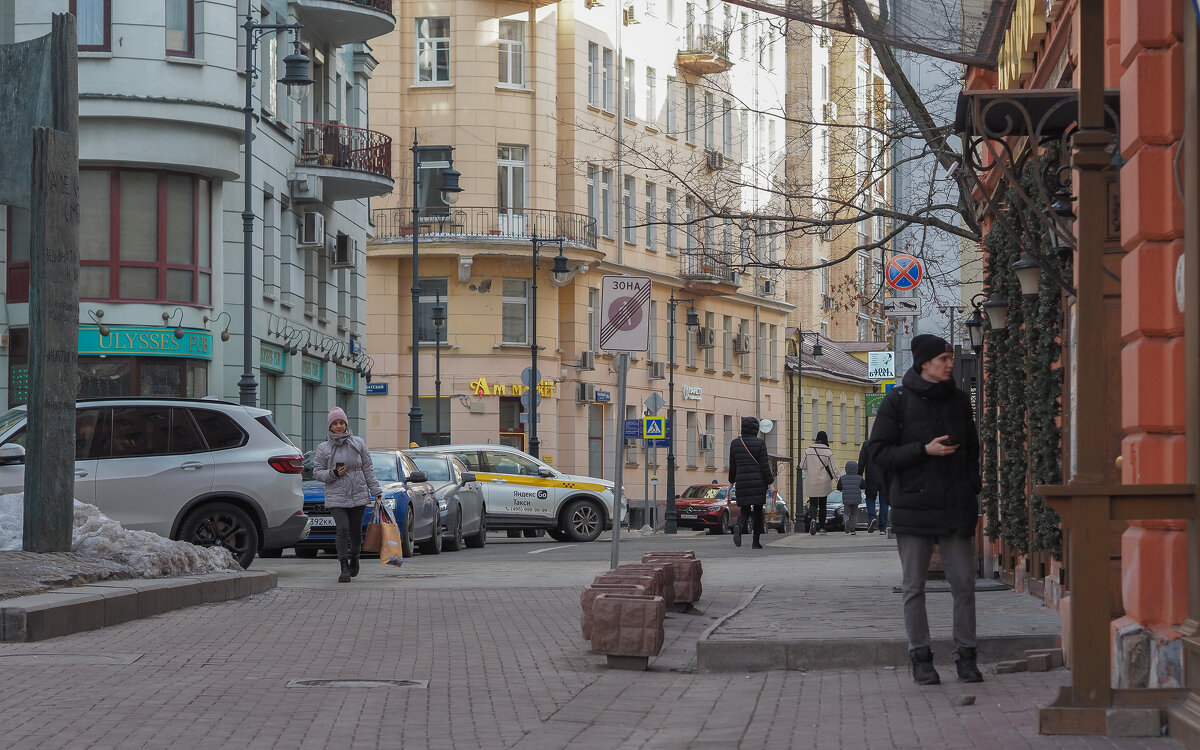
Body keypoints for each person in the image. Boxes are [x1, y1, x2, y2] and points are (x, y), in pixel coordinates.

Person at [868, 334, 983, 686]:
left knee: (963, 584)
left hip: (954, 507)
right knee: (913, 587)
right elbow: (878, 453)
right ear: (925, 363)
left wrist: (970, 489)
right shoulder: (897, 401)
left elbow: (972, 453)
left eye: (950, 358)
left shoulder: (960, 401)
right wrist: (923, 450)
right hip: (914, 508)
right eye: (943, 359)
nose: (950, 363)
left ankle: (966, 657)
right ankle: (921, 658)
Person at [312, 407, 382, 583]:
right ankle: (343, 566)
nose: (338, 426)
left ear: (346, 424)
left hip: (358, 494)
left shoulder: (358, 443)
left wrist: (376, 492)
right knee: (342, 529)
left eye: (341, 423)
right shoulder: (323, 448)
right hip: (336, 496)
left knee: (356, 533)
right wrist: (333, 473)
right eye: (335, 423)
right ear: (330, 426)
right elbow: (317, 472)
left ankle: (355, 557)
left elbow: (368, 469)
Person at [728, 416, 774, 550]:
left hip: (742, 482)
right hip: (758, 482)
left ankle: (739, 526)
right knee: (758, 512)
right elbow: (764, 466)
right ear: (756, 429)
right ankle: (756, 542)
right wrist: (770, 483)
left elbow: (733, 465)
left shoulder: (735, 444)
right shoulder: (760, 443)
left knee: (745, 510)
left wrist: (731, 482)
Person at [800, 431, 839, 535]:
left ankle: (812, 519)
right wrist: (839, 481)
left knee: (813, 503)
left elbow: (802, 465)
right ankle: (822, 527)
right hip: (824, 482)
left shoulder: (808, 450)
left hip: (812, 481)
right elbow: (833, 469)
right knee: (823, 505)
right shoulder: (828, 452)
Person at [858, 438, 890, 535]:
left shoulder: (867, 444)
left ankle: (872, 518)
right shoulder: (887, 444)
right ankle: (883, 528)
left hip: (871, 477)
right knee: (884, 502)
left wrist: (859, 477)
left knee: (870, 499)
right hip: (885, 477)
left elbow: (861, 462)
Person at [836, 460, 864, 535]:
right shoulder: (859, 478)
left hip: (847, 498)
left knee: (846, 513)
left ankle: (846, 521)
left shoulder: (842, 478)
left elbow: (838, 487)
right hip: (856, 499)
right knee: (854, 514)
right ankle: (853, 530)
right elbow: (863, 486)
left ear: (846, 468)